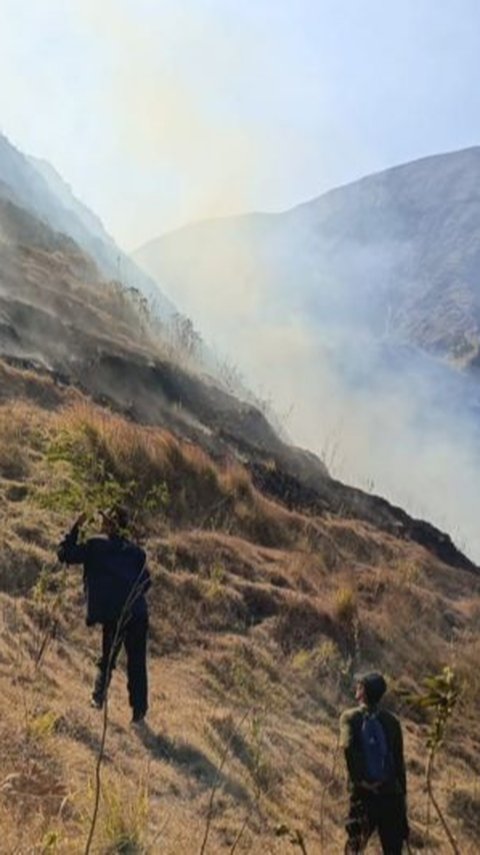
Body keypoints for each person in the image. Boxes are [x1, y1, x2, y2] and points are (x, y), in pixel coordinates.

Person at [57, 505, 151, 725]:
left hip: (115, 614)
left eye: (105, 520)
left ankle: (98, 699)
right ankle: (139, 713)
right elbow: (147, 581)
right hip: (137, 613)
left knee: (108, 657)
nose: (101, 523)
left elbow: (65, 554)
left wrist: (76, 526)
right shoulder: (136, 552)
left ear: (109, 525)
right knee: (136, 663)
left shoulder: (96, 546)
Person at [339, 672, 409, 854]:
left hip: (363, 797)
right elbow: (399, 766)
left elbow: (347, 747)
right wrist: (403, 809)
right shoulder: (392, 722)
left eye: (359, 685)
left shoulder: (349, 717)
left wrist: (361, 781)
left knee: (354, 848)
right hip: (391, 796)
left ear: (362, 691)